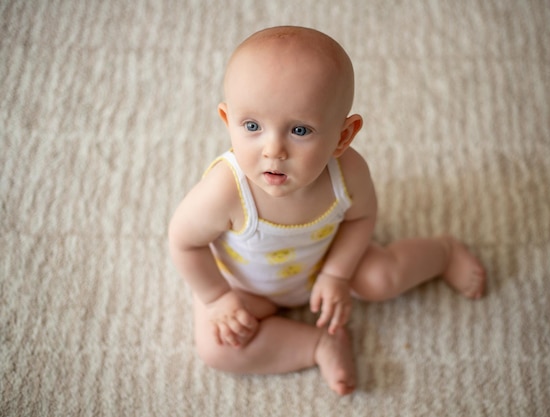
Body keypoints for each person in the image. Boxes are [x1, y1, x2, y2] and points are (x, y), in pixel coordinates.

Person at [168, 25, 486, 396]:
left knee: (380, 278)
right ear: (228, 120)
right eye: (252, 126)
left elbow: (362, 218)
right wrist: (217, 298)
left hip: (326, 262)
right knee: (217, 347)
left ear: (343, 136)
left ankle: (442, 253)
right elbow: (183, 242)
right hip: (243, 286)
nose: (274, 149)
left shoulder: (347, 173)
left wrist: (337, 274)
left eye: (300, 130)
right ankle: (317, 345)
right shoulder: (226, 191)